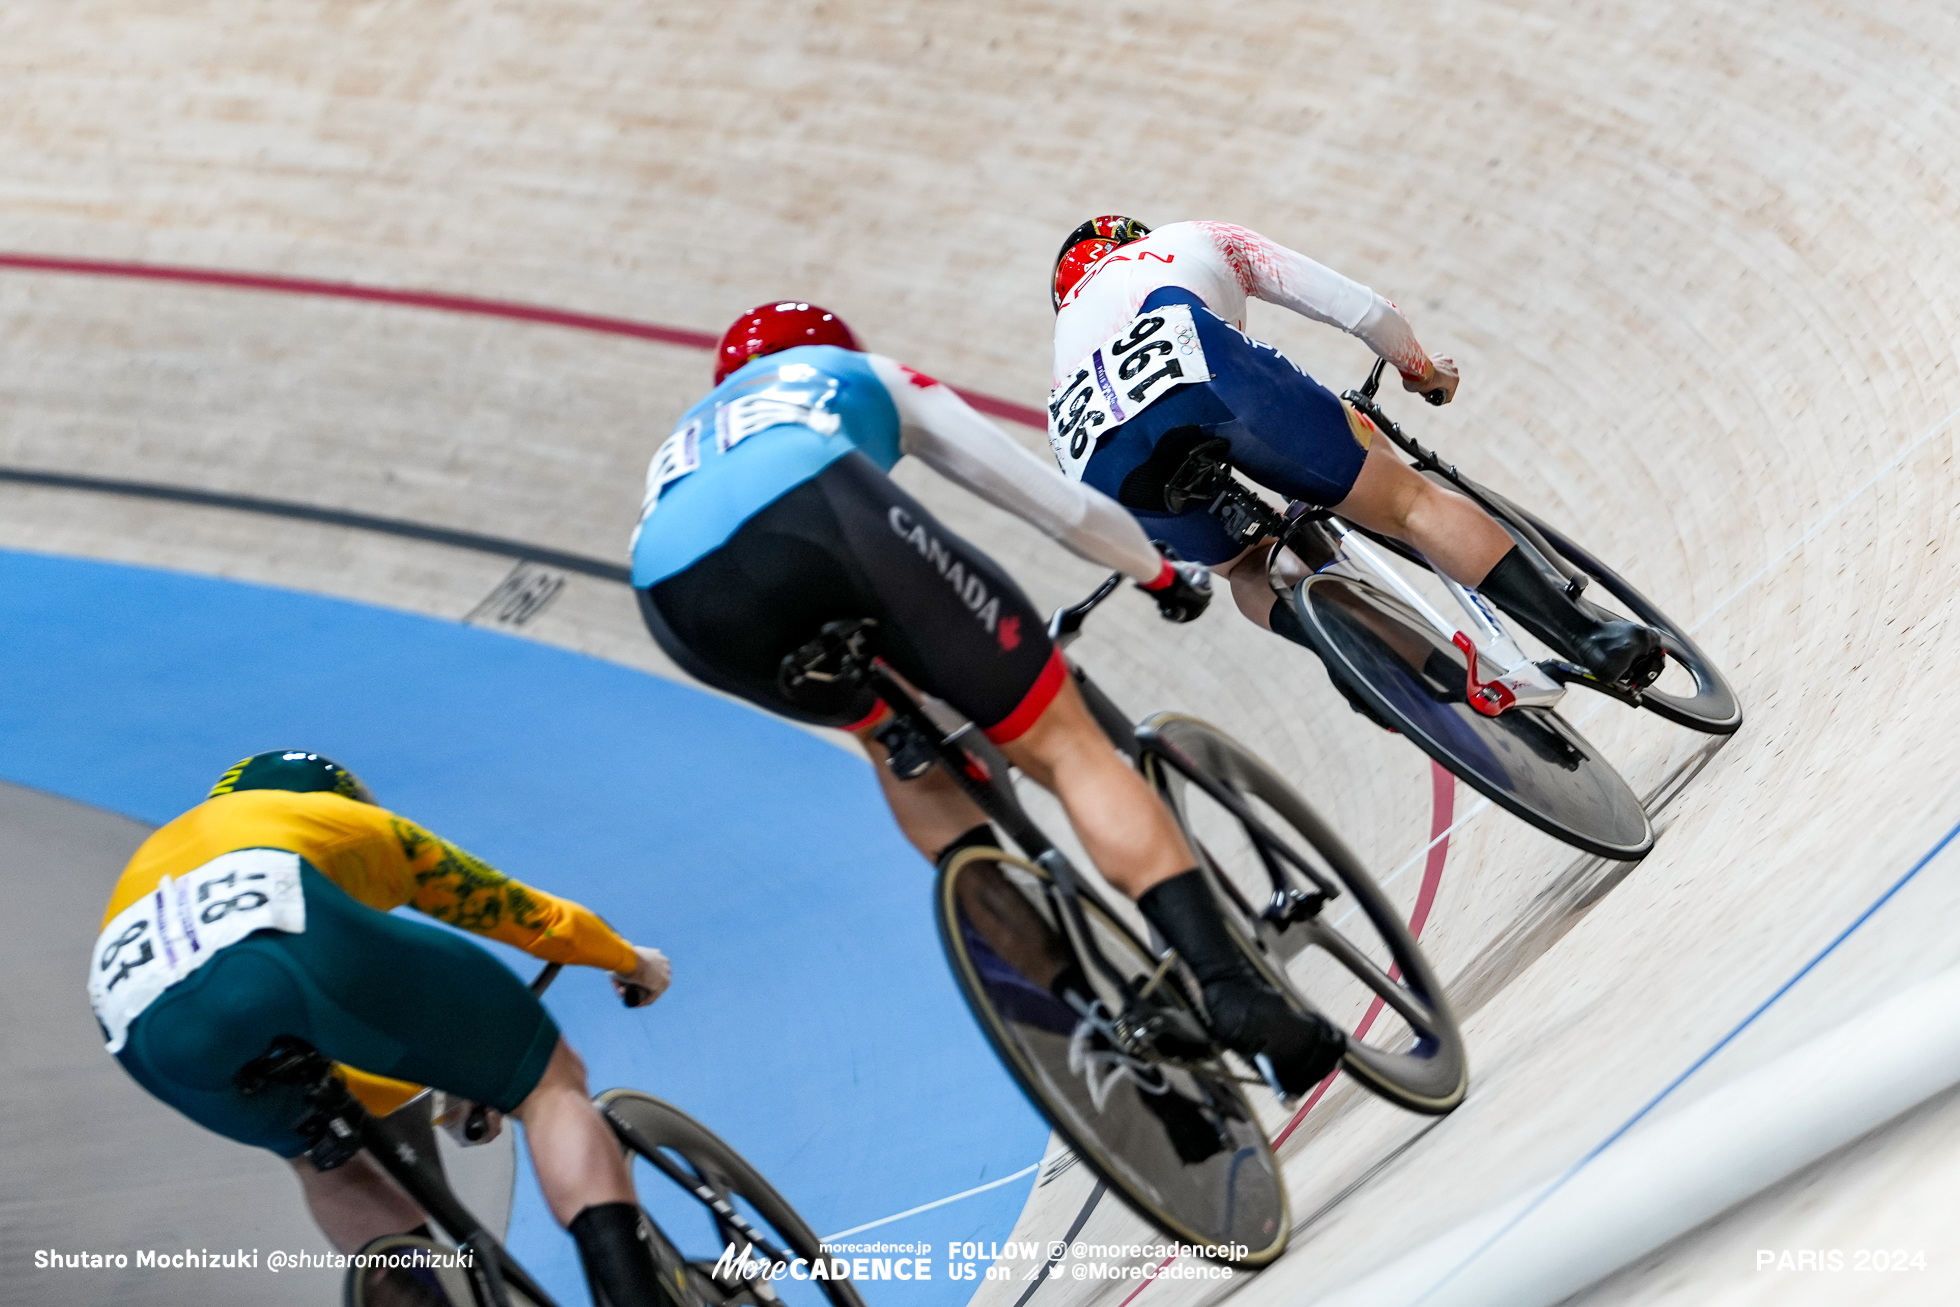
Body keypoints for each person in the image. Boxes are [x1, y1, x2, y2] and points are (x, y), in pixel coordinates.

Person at [629, 301, 1343, 1093]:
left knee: (891, 737)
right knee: (1063, 746)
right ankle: (1234, 993)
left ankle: (1097, 1034)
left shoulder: (683, 444)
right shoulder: (855, 376)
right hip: (813, 510)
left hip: (674, 596)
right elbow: (1051, 501)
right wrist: (1159, 574)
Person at [86, 750, 677, 1307]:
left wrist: (455, 1066)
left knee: (326, 1162)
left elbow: (345, 1069)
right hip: (278, 945)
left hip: (137, 1020)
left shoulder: (167, 849)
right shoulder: (343, 821)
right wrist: (626, 960)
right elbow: (523, 915)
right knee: (548, 1084)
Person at [1047, 216, 1664, 688]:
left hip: (1095, 454)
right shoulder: (1192, 240)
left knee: (1246, 568)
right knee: (1407, 503)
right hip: (1205, 369)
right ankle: (1589, 639)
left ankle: (1374, 674)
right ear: (1131, 239)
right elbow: (1363, 310)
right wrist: (1420, 372)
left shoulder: (1062, 350)